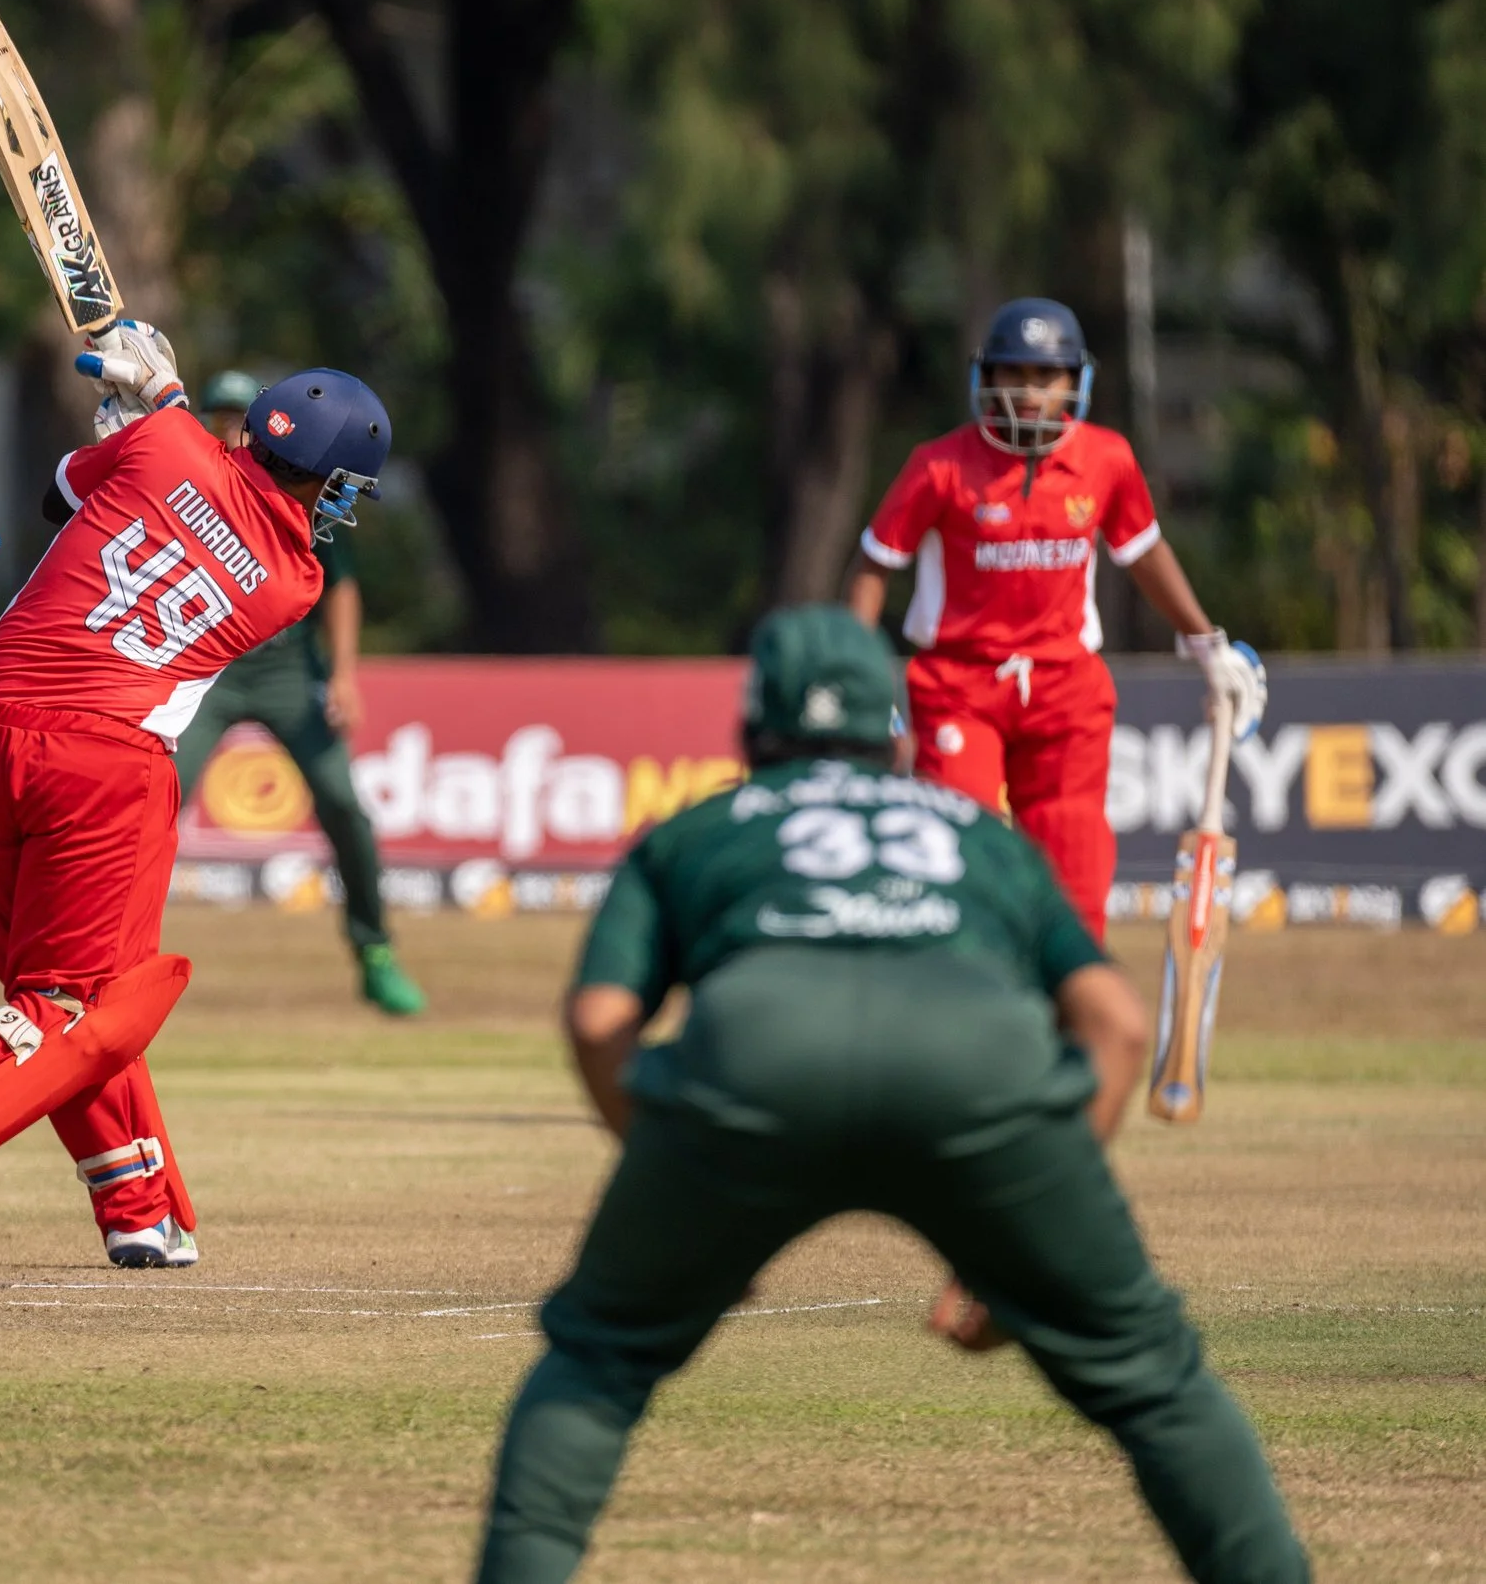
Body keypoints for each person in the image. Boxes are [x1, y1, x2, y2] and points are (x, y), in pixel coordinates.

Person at [474, 605, 1308, 1584]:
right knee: (1156, 1383)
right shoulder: (980, 835)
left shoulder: (692, 832)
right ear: (895, 730)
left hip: (754, 1066)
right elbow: (1119, 1025)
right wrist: (1025, 1235)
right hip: (981, 1072)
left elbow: (594, 1018)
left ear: (751, 728)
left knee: (598, 1358)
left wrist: (683, 1186)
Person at [0, 320, 392, 1269]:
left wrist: (139, 419)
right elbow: (214, 512)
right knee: (77, 1003)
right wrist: (156, 409)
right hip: (105, 763)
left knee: (52, 998)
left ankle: (137, 1200)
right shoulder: (294, 581)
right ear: (326, 482)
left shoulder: (167, 443)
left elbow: (61, 497)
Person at [847, 297, 1267, 939]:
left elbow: (1143, 550)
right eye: (1013, 374)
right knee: (961, 856)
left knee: (1076, 874)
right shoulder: (938, 467)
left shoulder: (1106, 460)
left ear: (1076, 381)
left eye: (1046, 377)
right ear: (986, 378)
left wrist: (1207, 643)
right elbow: (875, 565)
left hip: (1064, 687)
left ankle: (1073, 1023)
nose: (1028, 393)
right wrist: (859, 672)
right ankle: (973, 1016)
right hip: (960, 687)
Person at [166, 370, 427, 1016]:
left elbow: (338, 586)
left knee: (343, 801)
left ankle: (375, 949)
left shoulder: (306, 491)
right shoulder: (198, 474)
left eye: (237, 414)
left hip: (286, 672)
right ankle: (111, 949)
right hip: (212, 670)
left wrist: (341, 674)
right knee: (156, 798)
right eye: (218, 415)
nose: (228, 427)